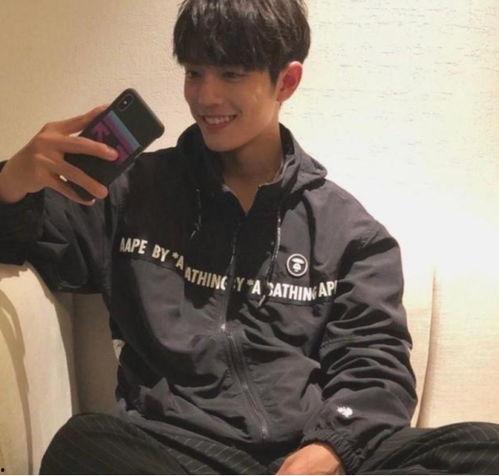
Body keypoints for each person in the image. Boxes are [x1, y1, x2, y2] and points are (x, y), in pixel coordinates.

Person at [1, 0, 498, 474]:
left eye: (232, 74)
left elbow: (376, 368)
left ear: (287, 81)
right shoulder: (132, 194)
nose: (205, 96)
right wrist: (12, 182)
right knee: (83, 446)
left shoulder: (350, 234)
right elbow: (26, 239)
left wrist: (329, 449)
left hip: (308, 453)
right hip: (178, 452)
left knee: (482, 449)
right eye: (194, 72)